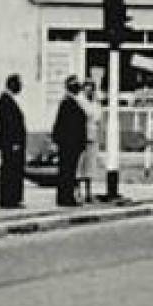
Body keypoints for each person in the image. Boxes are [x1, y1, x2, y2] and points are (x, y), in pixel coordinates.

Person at [52, 75, 89, 207]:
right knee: (67, 171)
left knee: (69, 171)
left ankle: (65, 196)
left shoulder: (74, 101)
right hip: (69, 144)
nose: (78, 87)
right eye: (76, 85)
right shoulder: (67, 102)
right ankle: (65, 197)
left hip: (71, 144)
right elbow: (61, 124)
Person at [0, 74, 27, 209]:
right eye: (19, 84)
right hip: (11, 144)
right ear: (12, 84)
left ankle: (13, 198)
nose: (21, 87)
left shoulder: (8, 100)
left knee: (14, 171)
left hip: (13, 143)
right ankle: (9, 199)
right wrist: (14, 143)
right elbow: (8, 125)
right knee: (10, 171)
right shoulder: (4, 101)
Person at [78, 81, 100, 202]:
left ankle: (88, 192)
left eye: (91, 89)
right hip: (82, 136)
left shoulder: (96, 102)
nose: (89, 91)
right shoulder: (80, 102)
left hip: (93, 136)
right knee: (80, 164)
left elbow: (98, 117)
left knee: (90, 166)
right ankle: (78, 191)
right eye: (87, 89)